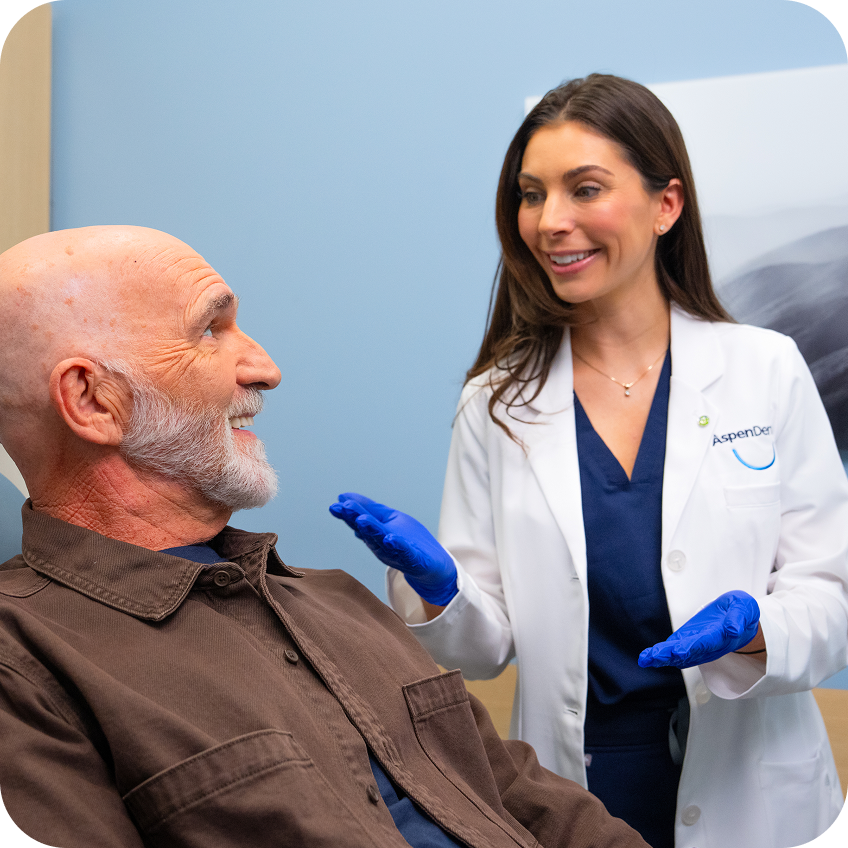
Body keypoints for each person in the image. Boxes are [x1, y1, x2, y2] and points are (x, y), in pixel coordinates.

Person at [0, 226, 649, 848]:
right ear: (92, 400)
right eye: (210, 330)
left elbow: (530, 799)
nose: (265, 368)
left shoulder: (341, 604)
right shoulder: (25, 671)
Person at [330, 74, 848, 848]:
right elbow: (485, 643)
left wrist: (755, 630)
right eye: (532, 194)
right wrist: (441, 594)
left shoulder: (764, 369)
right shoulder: (498, 401)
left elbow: (833, 595)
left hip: (755, 789)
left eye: (585, 189)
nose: (551, 221)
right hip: (578, 790)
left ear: (665, 205)